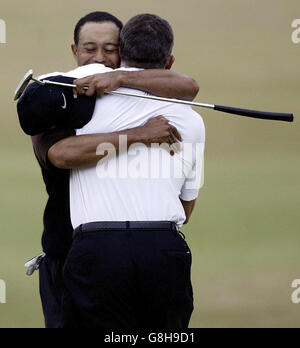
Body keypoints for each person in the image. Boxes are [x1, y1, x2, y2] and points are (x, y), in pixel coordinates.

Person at [23, 11, 199, 328]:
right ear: (75, 53)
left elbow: (190, 85)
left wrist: (120, 78)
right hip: (66, 252)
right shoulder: (63, 101)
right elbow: (58, 153)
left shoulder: (123, 86)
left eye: (110, 49)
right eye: (90, 49)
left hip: (99, 256)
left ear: (125, 55)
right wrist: (140, 135)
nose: (101, 59)